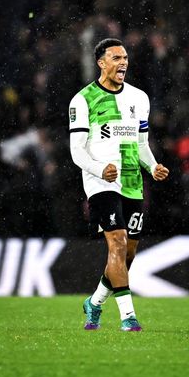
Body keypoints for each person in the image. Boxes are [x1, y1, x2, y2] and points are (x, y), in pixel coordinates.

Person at [69, 38, 169, 332]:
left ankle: (95, 303)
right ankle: (128, 316)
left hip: (131, 181)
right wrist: (101, 169)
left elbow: (141, 144)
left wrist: (152, 166)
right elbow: (77, 151)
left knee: (127, 254)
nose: (123, 62)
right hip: (100, 181)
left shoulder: (139, 98)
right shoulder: (83, 100)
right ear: (101, 63)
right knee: (117, 240)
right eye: (116, 58)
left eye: (125, 57)